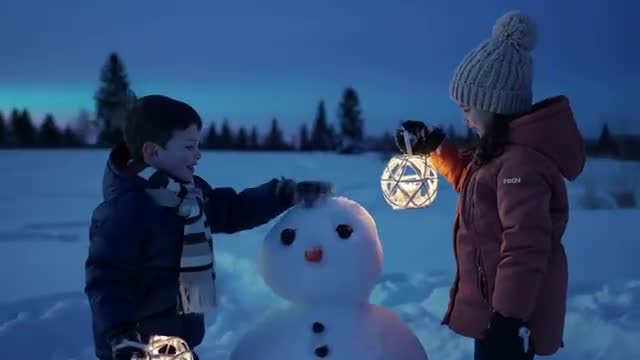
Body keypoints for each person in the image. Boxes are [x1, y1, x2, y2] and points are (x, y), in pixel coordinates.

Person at [395, 10, 586, 360]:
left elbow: (526, 245)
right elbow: (473, 186)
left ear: (495, 106)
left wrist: (507, 319)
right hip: (495, 312)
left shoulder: (522, 165)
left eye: (468, 107)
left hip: (511, 318)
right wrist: (435, 147)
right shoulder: (500, 156)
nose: (464, 117)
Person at [84, 94, 332, 360]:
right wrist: (120, 334)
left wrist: (282, 194)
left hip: (175, 344)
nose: (198, 154)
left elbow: (233, 210)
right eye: (189, 146)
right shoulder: (126, 211)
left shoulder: (188, 197)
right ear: (153, 152)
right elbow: (107, 279)